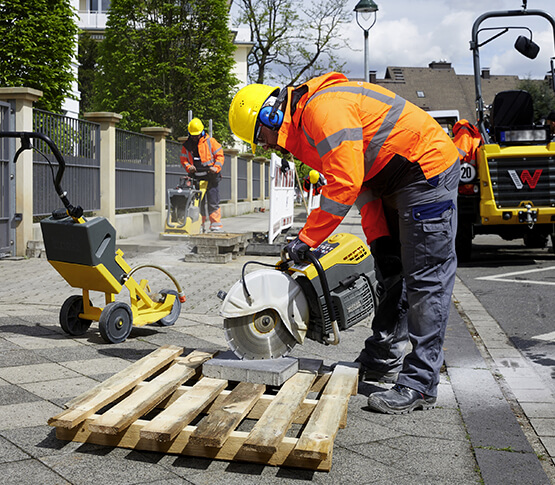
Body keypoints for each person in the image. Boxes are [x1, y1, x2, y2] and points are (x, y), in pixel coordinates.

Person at [228, 72, 460, 414]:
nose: (265, 146)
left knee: (426, 279)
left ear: (270, 115)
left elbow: (346, 184)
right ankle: (382, 358)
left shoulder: (324, 111)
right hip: (392, 181)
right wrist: (379, 239)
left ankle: (421, 383)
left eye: (260, 138)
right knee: (391, 273)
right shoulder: (306, 128)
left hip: (424, 172)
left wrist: (308, 238)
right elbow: (362, 187)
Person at [180, 118, 225, 232]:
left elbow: (220, 156)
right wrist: (188, 167)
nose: (194, 137)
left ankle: (216, 225)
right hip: (196, 177)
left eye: (196, 135)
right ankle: (199, 224)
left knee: (213, 201)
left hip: (211, 177)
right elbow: (184, 159)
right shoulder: (187, 145)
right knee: (198, 203)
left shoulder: (211, 142)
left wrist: (216, 167)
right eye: (193, 135)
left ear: (202, 132)